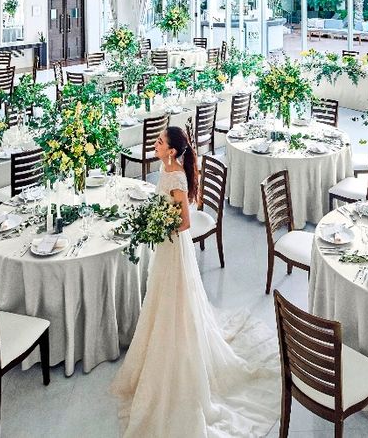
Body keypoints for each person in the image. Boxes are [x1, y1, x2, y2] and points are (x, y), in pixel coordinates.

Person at [112, 126, 279, 437]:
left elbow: (185, 222)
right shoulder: (166, 169)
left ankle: (178, 345)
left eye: (160, 141)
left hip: (174, 246)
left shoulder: (176, 177)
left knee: (174, 295)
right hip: (166, 245)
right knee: (162, 294)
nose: (155, 144)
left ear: (172, 151)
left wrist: (157, 226)